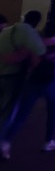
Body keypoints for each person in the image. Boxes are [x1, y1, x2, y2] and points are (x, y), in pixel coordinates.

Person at [1, 21, 55, 158]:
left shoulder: (35, 42)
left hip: (32, 81)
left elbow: (23, 58)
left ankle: (6, 142)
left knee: (21, 115)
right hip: (52, 81)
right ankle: (49, 141)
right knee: (53, 112)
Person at [0, 10, 46, 148]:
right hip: (12, 75)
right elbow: (41, 52)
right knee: (7, 111)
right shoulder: (29, 33)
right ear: (37, 21)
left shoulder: (7, 30)